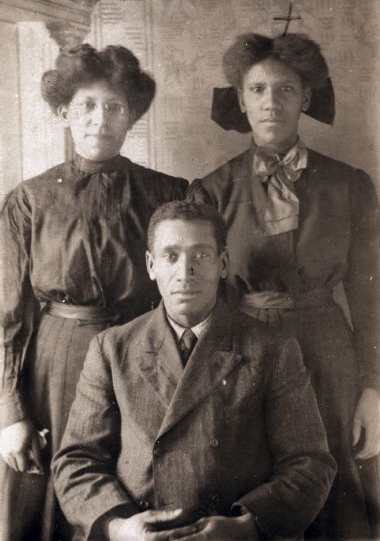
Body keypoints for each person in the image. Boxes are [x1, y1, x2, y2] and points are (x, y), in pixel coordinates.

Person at [187, 32, 380, 539]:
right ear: (242, 100)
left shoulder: (349, 184)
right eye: (258, 90)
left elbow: (370, 292)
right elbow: (200, 291)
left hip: (327, 349)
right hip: (247, 352)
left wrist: (373, 386)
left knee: (334, 488)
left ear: (306, 98)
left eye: (286, 90)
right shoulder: (212, 189)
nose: (271, 102)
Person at [53, 200, 336, 541]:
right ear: (151, 265)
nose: (185, 271)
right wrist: (119, 528)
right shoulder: (112, 348)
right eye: (171, 256)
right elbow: (76, 460)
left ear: (223, 263)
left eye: (200, 256)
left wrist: (245, 527)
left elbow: (310, 463)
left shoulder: (272, 348)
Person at [0, 44, 187, 541]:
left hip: (143, 352)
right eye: (86, 105)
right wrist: (10, 412)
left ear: (131, 118)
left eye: (114, 107)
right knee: (55, 500)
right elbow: (7, 316)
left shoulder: (166, 193)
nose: (99, 119)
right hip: (57, 364)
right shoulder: (29, 200)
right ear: (63, 112)